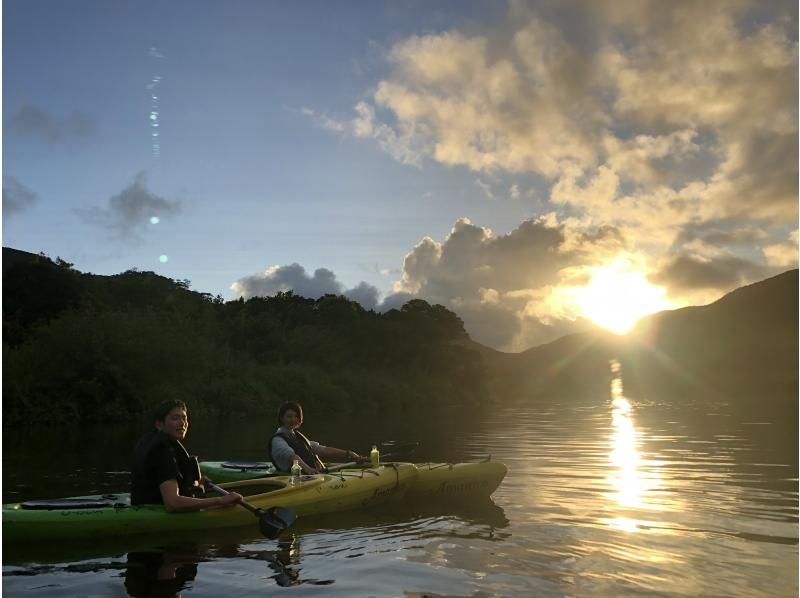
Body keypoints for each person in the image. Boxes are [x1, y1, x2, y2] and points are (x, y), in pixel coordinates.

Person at [131, 399, 243, 512]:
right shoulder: (162, 450)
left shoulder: (151, 440)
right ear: (159, 424)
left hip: (144, 504)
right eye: (175, 418)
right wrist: (219, 500)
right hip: (154, 511)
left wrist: (196, 484)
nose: (182, 423)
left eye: (184, 418)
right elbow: (172, 503)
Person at [268, 401, 366, 474]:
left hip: (311, 476)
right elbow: (292, 456)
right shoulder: (278, 440)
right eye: (289, 416)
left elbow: (322, 450)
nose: (293, 419)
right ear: (282, 418)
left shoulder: (297, 436)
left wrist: (349, 454)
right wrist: (309, 470)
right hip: (296, 479)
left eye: (296, 416)